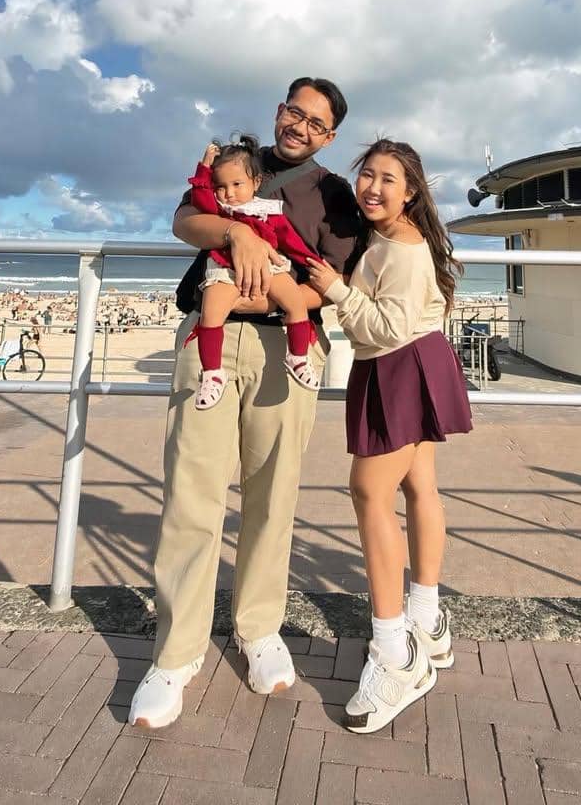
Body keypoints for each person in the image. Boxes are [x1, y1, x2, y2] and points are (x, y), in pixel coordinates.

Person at [129, 77, 363, 729]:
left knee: (273, 494)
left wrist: (262, 292)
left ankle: (258, 629)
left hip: (285, 344)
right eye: (296, 111)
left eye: (317, 123)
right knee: (190, 492)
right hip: (209, 337)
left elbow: (329, 286)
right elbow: (185, 219)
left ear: (330, 136)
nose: (301, 127)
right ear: (279, 110)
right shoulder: (237, 161)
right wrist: (238, 238)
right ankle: (175, 655)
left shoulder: (336, 196)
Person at [305, 139, 473, 734]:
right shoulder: (389, 236)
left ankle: (394, 652)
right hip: (413, 361)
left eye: (388, 180)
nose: (373, 188)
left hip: (399, 363)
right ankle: (427, 621)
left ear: (411, 192)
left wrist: (333, 288)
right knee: (419, 488)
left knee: (369, 495)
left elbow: (385, 325)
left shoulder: (403, 248)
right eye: (367, 175)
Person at [186, 134, 321, 409]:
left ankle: (298, 356)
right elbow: (199, 198)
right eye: (221, 186)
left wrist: (308, 260)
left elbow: (289, 239)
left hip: (269, 267)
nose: (229, 193)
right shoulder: (218, 208)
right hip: (225, 268)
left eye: (237, 184)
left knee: (295, 301)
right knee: (211, 314)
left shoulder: (266, 209)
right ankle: (212, 373)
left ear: (256, 183)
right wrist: (204, 168)